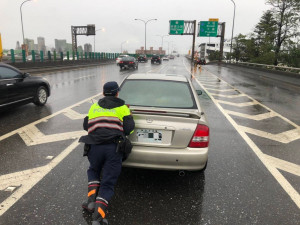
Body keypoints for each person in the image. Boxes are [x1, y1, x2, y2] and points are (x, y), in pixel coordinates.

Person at [79, 81, 135, 225]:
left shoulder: (94, 106)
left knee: (93, 170)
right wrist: (129, 115)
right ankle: (98, 218)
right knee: (108, 181)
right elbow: (129, 129)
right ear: (117, 93)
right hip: (113, 148)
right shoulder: (123, 108)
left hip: (93, 146)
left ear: (103, 93)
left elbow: (86, 125)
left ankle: (90, 202)